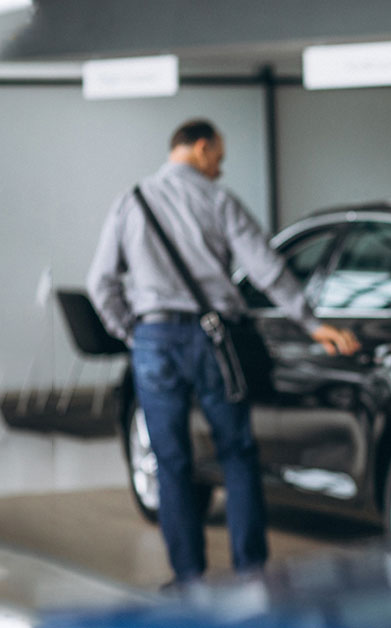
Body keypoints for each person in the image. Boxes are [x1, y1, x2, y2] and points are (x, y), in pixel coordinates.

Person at [86, 119, 361, 588]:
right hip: (213, 339)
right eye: (218, 156)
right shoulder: (217, 201)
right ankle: (251, 572)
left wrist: (133, 332)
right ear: (198, 148)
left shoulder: (129, 202)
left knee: (170, 460)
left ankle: (189, 578)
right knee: (236, 453)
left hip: (153, 342)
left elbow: (100, 283)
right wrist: (313, 323)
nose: (220, 167)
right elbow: (266, 268)